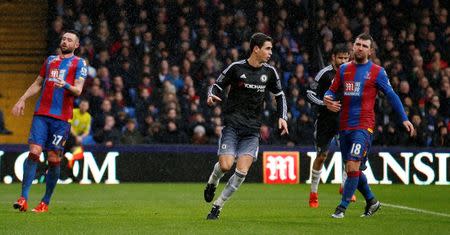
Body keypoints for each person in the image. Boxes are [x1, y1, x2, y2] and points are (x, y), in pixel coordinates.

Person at [324, 33, 414, 218]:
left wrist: (404, 118)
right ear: (353, 46)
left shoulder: (377, 72)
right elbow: (331, 91)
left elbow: (392, 95)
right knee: (352, 170)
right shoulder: (343, 70)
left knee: (353, 164)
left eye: (364, 46)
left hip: (364, 127)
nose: (360, 48)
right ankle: (372, 201)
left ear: (370, 51)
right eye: (357, 44)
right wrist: (327, 100)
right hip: (344, 126)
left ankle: (341, 209)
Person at [203, 32, 289, 220]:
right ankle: (212, 182)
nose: (270, 53)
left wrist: (282, 117)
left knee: (241, 171)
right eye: (267, 48)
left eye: (271, 49)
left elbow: (279, 95)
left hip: (252, 130)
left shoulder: (270, 72)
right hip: (233, 126)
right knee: (225, 166)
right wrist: (211, 95)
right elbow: (217, 85)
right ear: (256, 49)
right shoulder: (236, 68)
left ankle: (218, 206)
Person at [11, 30, 86, 213]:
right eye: (63, 39)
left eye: (69, 40)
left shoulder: (79, 63)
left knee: (53, 158)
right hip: (41, 114)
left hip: (61, 119)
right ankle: (23, 198)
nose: (65, 41)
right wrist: (22, 98)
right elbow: (38, 83)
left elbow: (78, 90)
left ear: (76, 45)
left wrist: (65, 84)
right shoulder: (51, 60)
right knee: (34, 152)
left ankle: (45, 201)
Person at [306, 44, 354, 208]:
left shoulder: (352, 73)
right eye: (340, 57)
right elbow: (309, 94)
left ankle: (345, 187)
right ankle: (313, 193)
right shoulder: (324, 74)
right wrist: (325, 104)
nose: (343, 61)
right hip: (325, 122)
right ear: (333, 57)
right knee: (321, 156)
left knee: (348, 155)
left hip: (344, 120)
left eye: (346, 58)